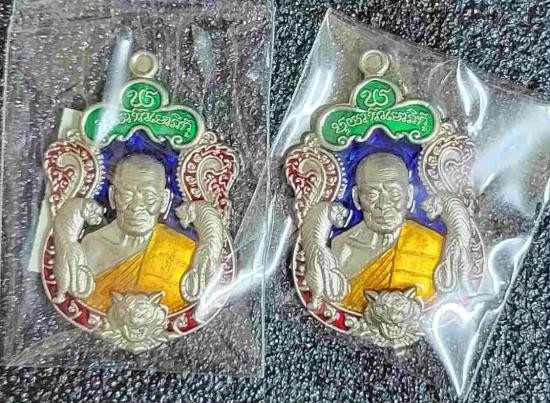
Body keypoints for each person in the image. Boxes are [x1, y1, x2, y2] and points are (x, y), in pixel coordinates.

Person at [81, 154, 196, 313]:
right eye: (127, 194)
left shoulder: (185, 251)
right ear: (112, 196)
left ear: (164, 201)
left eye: (149, 197)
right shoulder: (91, 247)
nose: (136, 207)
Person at [331, 153, 444, 313]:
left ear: (409, 195)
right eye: (372, 194)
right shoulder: (340, 248)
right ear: (356, 198)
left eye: (394, 194)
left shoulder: (434, 245)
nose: (383, 205)